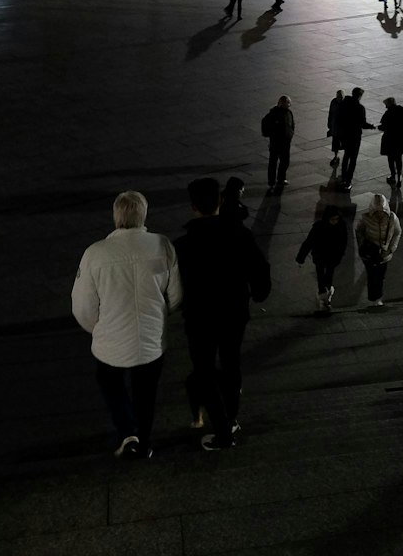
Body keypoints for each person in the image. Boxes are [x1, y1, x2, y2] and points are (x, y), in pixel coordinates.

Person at [71, 191, 182, 459]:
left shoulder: (95, 253)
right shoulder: (162, 245)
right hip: (151, 340)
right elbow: (176, 295)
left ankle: (126, 432)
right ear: (144, 215)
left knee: (109, 381)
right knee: (146, 392)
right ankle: (145, 441)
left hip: (111, 340)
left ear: (116, 216)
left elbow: (83, 305)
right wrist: (160, 314)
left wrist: (97, 327)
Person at [174, 178, 270, 451]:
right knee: (231, 363)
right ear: (219, 202)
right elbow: (260, 270)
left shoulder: (182, 245)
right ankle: (231, 417)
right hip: (234, 312)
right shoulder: (240, 234)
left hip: (199, 317)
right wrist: (258, 292)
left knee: (203, 370)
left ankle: (223, 431)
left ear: (193, 206)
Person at [296, 202, 350, 312]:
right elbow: (308, 243)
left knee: (329, 275)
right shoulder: (318, 227)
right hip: (320, 256)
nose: (335, 221)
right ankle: (323, 296)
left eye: (337, 219)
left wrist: (340, 254)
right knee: (321, 276)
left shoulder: (341, 225)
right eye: (333, 219)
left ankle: (325, 296)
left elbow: (344, 241)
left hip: (333, 257)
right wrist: (300, 258)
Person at [356, 192, 401, 307]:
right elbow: (359, 231)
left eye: (382, 212)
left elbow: (397, 232)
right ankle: (374, 299)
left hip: (384, 254)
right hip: (370, 253)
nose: (380, 214)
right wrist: (362, 245)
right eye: (377, 212)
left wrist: (391, 249)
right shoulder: (365, 219)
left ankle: (377, 296)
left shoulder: (392, 218)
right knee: (372, 276)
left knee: (380, 276)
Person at [335, 87, 373, 187]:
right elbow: (362, 123)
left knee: (346, 156)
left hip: (345, 135)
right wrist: (371, 126)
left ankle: (343, 177)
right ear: (360, 96)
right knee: (353, 159)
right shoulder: (360, 108)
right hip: (355, 136)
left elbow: (338, 117)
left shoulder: (344, 103)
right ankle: (348, 180)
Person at [262, 96, 295, 196]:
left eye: (289, 102)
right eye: (287, 102)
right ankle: (271, 183)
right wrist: (269, 135)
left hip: (286, 142)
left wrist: (291, 133)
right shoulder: (273, 114)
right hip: (276, 143)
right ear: (281, 103)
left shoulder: (289, 112)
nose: (289, 104)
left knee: (285, 161)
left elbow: (292, 124)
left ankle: (281, 178)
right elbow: (265, 123)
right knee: (273, 163)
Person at [378, 97, 403, 186]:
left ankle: (393, 177)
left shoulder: (388, 113)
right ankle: (400, 178)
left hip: (389, 140)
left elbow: (382, 127)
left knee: (391, 159)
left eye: (386, 105)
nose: (385, 107)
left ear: (389, 104)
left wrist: (378, 127)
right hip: (400, 139)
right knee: (399, 159)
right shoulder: (401, 110)